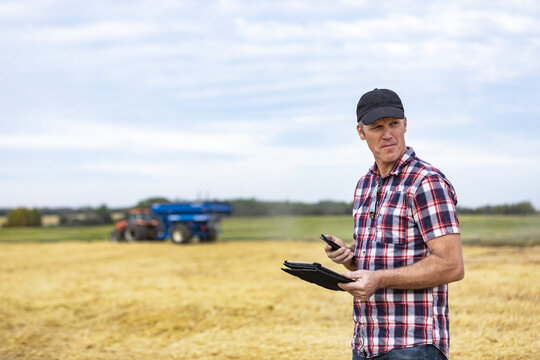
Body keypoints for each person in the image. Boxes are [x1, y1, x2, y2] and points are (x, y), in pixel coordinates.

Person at [325, 88, 464, 360]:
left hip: (413, 345)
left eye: (394, 124)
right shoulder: (364, 185)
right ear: (360, 132)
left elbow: (452, 265)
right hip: (366, 344)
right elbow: (380, 258)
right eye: (377, 127)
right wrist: (349, 258)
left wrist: (379, 279)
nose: (387, 134)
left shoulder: (426, 182)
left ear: (406, 124)